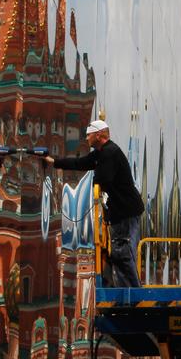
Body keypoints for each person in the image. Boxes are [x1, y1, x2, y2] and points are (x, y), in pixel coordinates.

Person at [44, 120, 145, 287]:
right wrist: (53, 162)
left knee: (124, 253)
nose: (86, 138)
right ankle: (127, 291)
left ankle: (134, 293)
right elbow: (80, 163)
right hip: (119, 212)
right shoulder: (101, 153)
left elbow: (103, 178)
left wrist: (91, 187)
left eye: (89, 134)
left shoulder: (110, 153)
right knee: (119, 254)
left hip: (127, 211)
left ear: (99, 135)